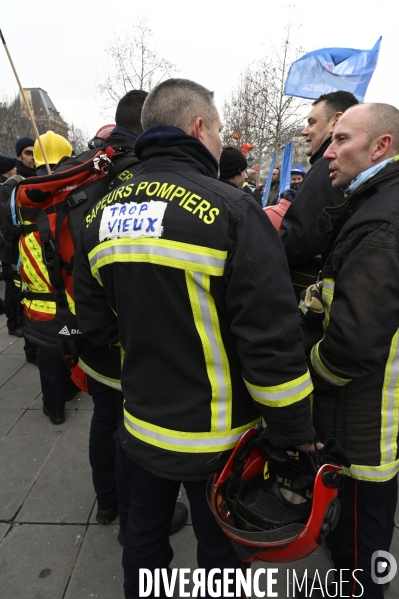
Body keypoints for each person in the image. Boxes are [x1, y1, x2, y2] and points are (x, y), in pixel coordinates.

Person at [74, 78, 314, 599]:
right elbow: (270, 340)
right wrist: (295, 431)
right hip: (219, 439)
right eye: (221, 128)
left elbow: (95, 327)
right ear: (199, 127)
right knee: (220, 554)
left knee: (143, 538)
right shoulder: (233, 210)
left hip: (140, 427)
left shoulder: (99, 214)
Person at [77, 90, 188, 536]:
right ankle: (130, 515)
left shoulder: (87, 167)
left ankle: (107, 503)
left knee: (105, 417)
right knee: (129, 428)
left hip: (86, 328)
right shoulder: (137, 175)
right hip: (128, 336)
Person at [308, 102, 399, 599]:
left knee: (361, 549)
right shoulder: (374, 206)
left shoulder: (383, 223)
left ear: (380, 146)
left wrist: (308, 376)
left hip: (365, 430)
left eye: (342, 139)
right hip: (366, 416)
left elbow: (352, 343)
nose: (328, 151)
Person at [279, 91, 358, 300]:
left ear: (336, 122)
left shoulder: (327, 169)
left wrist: (264, 240)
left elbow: (299, 241)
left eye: (312, 123)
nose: (305, 131)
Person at [26, 132, 80, 423]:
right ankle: (70, 388)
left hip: (35, 285)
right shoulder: (65, 188)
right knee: (68, 341)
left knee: (47, 350)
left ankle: (54, 407)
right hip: (64, 282)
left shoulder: (18, 193)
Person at [0, 139, 38, 363]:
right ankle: (14, 323)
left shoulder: (39, 179)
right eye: (28, 153)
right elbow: (6, 224)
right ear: (19, 156)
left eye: (35, 153)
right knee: (14, 288)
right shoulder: (11, 186)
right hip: (14, 248)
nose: (32, 157)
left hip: (32, 247)